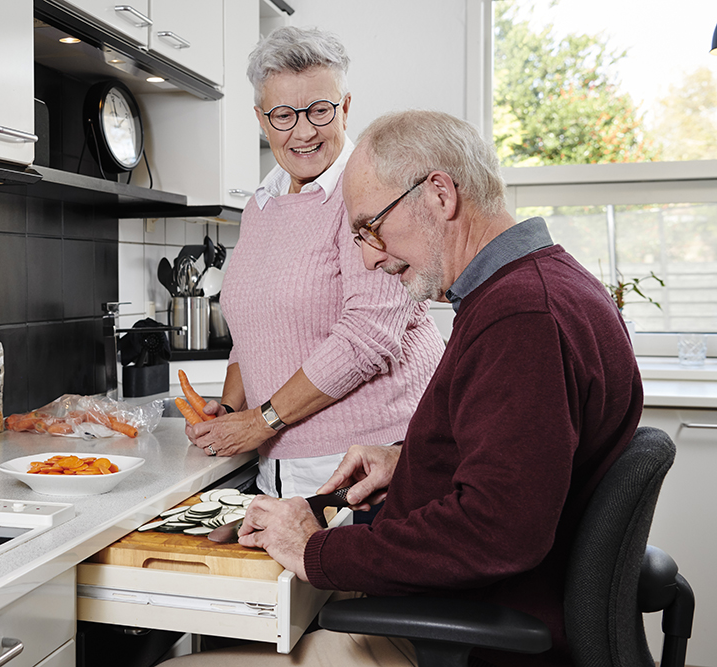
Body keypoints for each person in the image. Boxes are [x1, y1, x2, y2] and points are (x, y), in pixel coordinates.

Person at [162, 110, 644, 667]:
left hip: (459, 642)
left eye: (372, 228)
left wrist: (314, 549)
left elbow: (495, 531)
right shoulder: (547, 286)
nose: (369, 257)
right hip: (464, 620)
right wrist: (410, 461)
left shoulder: (522, 318)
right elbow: (527, 462)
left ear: (440, 194)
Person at [185, 27, 445, 499]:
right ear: (262, 120)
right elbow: (253, 331)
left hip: (369, 463)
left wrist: (260, 421)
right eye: (284, 115)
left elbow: (368, 336)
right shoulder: (261, 204)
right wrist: (230, 411)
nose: (303, 132)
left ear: (345, 108)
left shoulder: (372, 191)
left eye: (319, 111)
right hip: (278, 465)